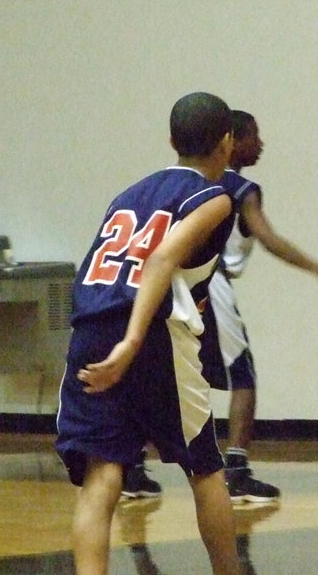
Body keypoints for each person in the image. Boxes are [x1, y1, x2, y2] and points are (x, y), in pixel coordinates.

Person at [122, 109, 318, 503]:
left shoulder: (174, 183)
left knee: (161, 375)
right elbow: (269, 240)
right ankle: (236, 471)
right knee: (242, 375)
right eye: (254, 135)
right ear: (230, 141)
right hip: (208, 282)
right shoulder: (240, 189)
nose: (261, 143)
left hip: (161, 283)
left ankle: (131, 466)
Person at [55, 92, 241, 575]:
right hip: (152, 334)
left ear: (171, 140)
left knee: (102, 473)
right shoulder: (215, 198)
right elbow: (160, 260)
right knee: (204, 467)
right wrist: (132, 341)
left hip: (90, 328)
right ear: (226, 142)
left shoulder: (129, 195)